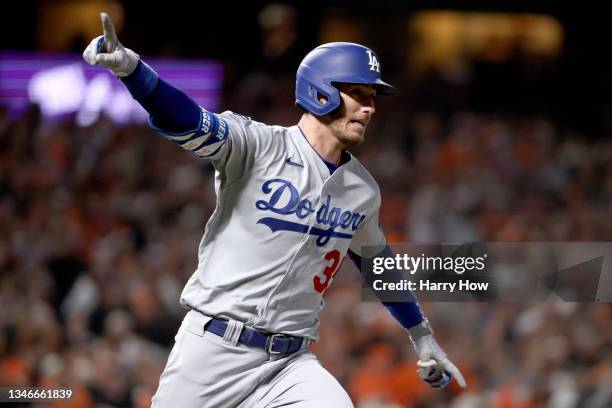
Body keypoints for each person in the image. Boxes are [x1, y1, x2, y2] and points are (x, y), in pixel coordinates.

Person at [83, 12, 466, 408]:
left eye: (372, 97)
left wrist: (421, 335)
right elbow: (187, 119)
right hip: (212, 350)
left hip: (290, 363)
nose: (370, 108)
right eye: (359, 93)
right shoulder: (258, 145)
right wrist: (133, 72)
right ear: (322, 91)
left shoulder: (363, 189)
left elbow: (377, 262)